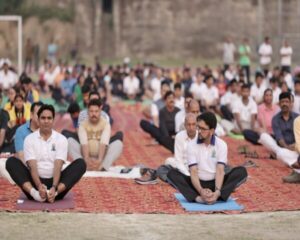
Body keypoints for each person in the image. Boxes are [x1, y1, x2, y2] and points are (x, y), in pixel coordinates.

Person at [6, 104, 86, 203]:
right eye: (43, 118)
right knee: (11, 162)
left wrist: (54, 188)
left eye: (49, 118)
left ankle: (53, 194)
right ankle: (36, 195)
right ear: (38, 120)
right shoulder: (29, 139)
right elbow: (32, 166)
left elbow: (58, 165)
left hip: (56, 185)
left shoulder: (61, 139)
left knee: (81, 164)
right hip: (35, 184)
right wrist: (39, 186)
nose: (46, 121)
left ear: (53, 120)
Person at [167, 112, 247, 204]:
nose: (199, 131)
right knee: (171, 174)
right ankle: (198, 198)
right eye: (199, 127)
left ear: (212, 131)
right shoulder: (191, 145)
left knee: (241, 171)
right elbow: (193, 172)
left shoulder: (221, 145)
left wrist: (217, 192)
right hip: (197, 183)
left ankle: (217, 196)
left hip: (216, 182)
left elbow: (220, 170)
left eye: (203, 129)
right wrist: (201, 191)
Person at [68, 99, 123, 171]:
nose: (94, 114)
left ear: (100, 110)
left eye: (96, 111)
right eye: (91, 111)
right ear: (88, 111)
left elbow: (103, 143)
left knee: (118, 144)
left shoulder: (106, 124)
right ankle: (82, 165)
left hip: (102, 156)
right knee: (69, 141)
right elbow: (84, 144)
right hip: (85, 155)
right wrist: (87, 160)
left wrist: (99, 160)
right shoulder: (83, 125)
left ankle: (103, 167)